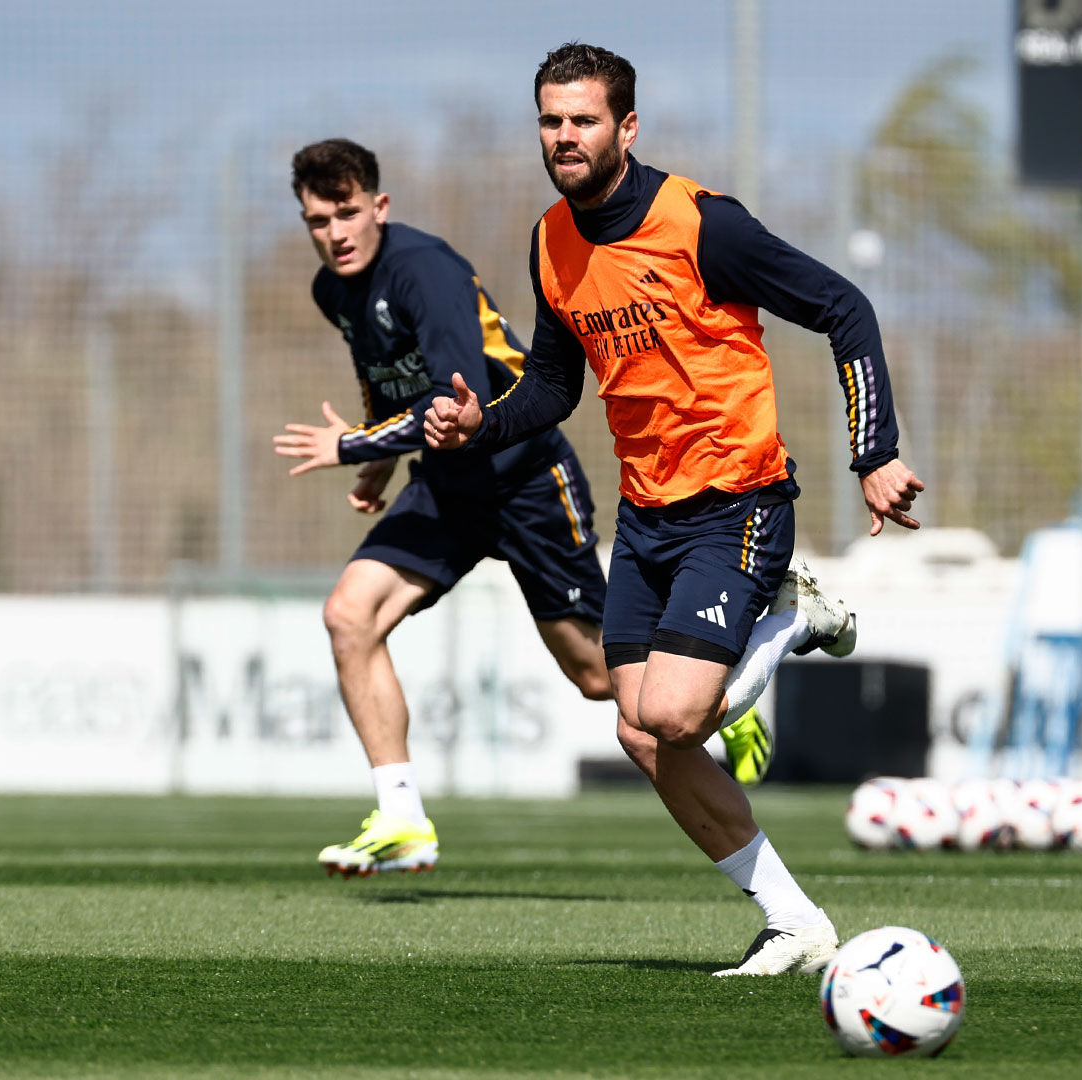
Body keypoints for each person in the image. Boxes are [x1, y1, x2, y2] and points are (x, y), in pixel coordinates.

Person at [425, 45, 926, 976]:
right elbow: (550, 386)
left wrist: (876, 452)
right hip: (648, 513)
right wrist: (477, 425)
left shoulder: (701, 225)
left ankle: (791, 616)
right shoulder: (551, 242)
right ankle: (795, 921)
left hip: (738, 498)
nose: (563, 137)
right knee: (636, 727)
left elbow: (842, 306)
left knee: (679, 717)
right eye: (550, 120)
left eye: (582, 120)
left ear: (627, 127)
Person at [274, 139, 776, 877]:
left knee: (603, 681)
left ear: (379, 207)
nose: (335, 233)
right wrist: (380, 462)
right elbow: (392, 385)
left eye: (348, 213)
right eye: (318, 220)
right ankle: (403, 817)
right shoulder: (335, 290)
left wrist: (352, 445)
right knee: (349, 616)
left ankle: (722, 689)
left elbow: (454, 399)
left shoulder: (425, 271)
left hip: (523, 475)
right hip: (446, 485)